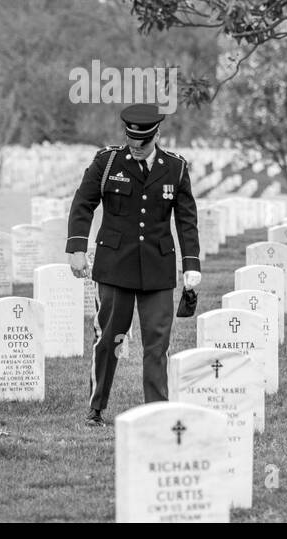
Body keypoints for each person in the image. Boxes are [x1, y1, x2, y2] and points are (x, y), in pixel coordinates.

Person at [66, 103, 201, 426]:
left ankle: (157, 410)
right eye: (131, 141)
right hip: (114, 265)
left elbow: (186, 219)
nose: (135, 148)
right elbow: (83, 202)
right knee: (110, 338)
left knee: (157, 343)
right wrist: (76, 247)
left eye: (141, 143)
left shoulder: (175, 168)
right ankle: (96, 408)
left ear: (155, 136)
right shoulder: (108, 161)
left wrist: (191, 263)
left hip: (158, 267)